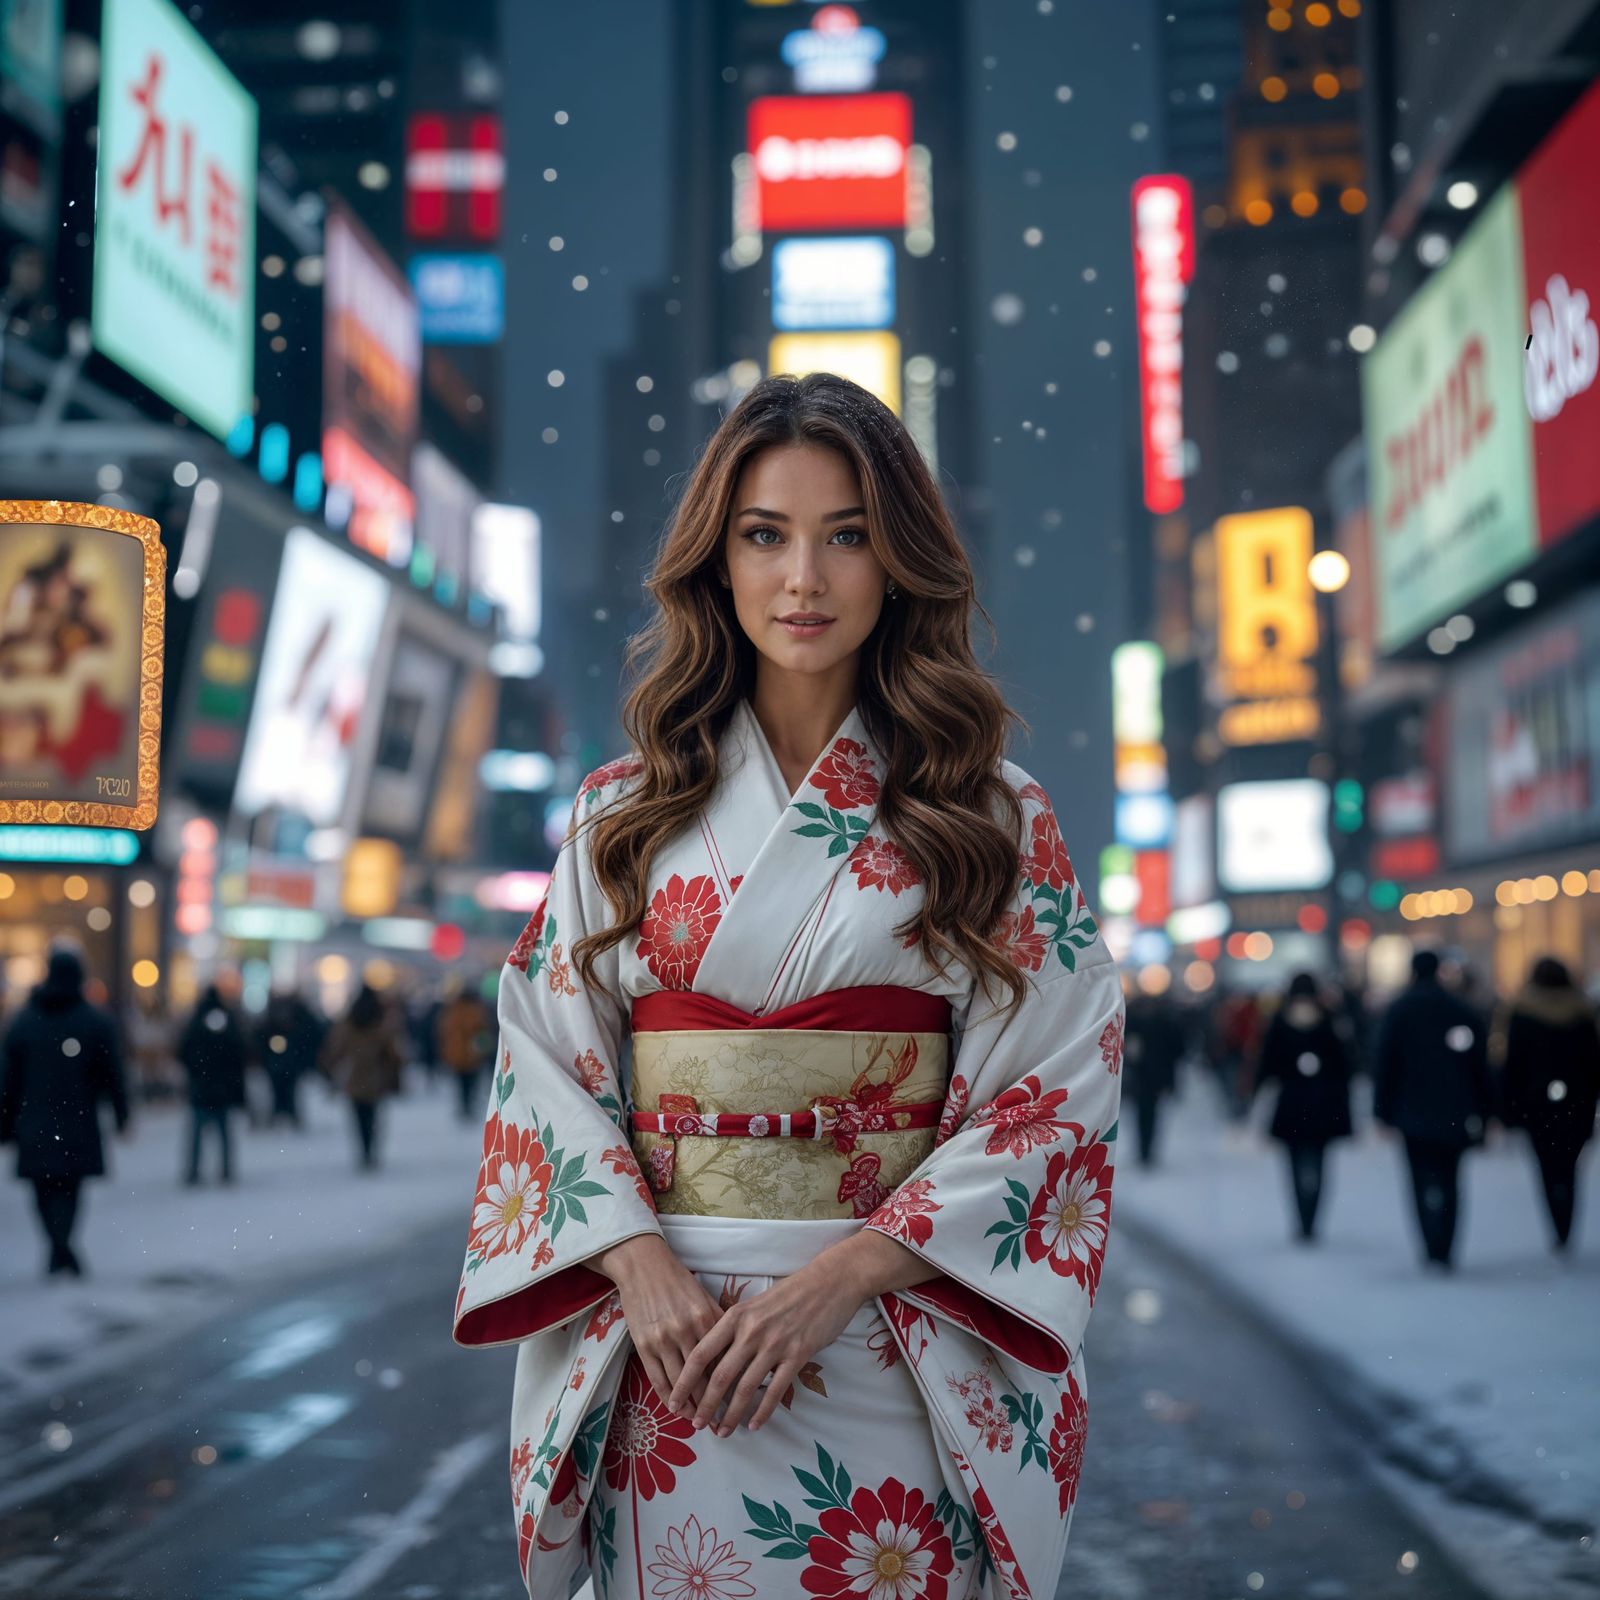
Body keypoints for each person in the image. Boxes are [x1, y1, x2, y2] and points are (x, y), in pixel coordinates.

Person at [450, 373, 1126, 1600]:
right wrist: (637, 1264)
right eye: (764, 535)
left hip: (893, 1347)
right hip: (671, 1351)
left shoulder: (989, 817)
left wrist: (846, 1274)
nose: (802, 578)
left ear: (898, 560)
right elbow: (541, 1057)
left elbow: (1053, 1089)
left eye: (846, 535)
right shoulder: (622, 813)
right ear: (717, 561)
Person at [0, 943, 130, 1277]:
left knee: (43, 1188)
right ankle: (62, 1246)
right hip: (77, 1119)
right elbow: (112, 1074)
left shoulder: (25, 1021)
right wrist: (121, 1116)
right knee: (70, 1188)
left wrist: (5, 1120)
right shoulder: (95, 1022)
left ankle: (58, 1246)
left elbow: (7, 1079)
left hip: (35, 1119)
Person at [1372, 948, 1496, 1271]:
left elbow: (1385, 1063)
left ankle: (1430, 1243)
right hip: (1454, 1108)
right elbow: (1479, 1067)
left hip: (1411, 1110)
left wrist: (1382, 1111)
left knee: (1418, 1179)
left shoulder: (1399, 1011)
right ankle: (1446, 1245)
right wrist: (1485, 1111)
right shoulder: (1460, 1010)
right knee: (1451, 1179)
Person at [1490, 956, 1599, 1256]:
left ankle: (1557, 1223)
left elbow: (1511, 1065)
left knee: (1547, 1167)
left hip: (1535, 1105)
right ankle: (1566, 1223)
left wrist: (1507, 1110)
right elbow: (1593, 1064)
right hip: (1577, 1105)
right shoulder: (1582, 1011)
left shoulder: (1522, 1011)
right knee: (1570, 1167)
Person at [1249, 972, 1353, 1242]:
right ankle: (1313, 1217)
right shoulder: (1330, 1020)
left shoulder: (1280, 1021)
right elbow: (1346, 1064)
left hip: (1291, 1106)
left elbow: (1267, 1063)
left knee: (1294, 1166)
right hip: (1323, 1106)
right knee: (1319, 1163)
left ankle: (1302, 1219)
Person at [321, 984, 405, 1170]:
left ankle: (364, 1153)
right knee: (373, 1117)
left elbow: (336, 1049)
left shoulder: (349, 1022)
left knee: (358, 1118)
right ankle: (371, 1152)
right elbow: (393, 1053)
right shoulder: (381, 1021)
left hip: (355, 1075)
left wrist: (329, 1068)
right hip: (376, 1076)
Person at [178, 977, 250, 1185]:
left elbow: (184, 1051)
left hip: (201, 1086)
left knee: (198, 1132)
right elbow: (239, 1051)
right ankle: (226, 1170)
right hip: (222, 1086)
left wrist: (196, 1070)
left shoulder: (196, 1021)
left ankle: (193, 1171)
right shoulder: (228, 1020)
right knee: (224, 1131)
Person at [1122, 977, 1186, 1166]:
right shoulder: (1165, 1021)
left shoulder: (1139, 1021)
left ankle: (1145, 1149)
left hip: (1145, 1076)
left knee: (1145, 1114)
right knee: (1147, 1114)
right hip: (1148, 1076)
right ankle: (1145, 1149)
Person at [256, 987, 325, 1130]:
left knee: (285, 1089)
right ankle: (285, 1113)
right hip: (286, 1060)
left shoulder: (284, 1015)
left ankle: (285, 1113)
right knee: (284, 1089)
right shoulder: (292, 1015)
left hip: (286, 1060)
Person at [436, 979, 495, 1121]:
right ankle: (468, 1106)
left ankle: (463, 1105)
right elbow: (481, 1030)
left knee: (461, 1082)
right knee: (471, 1082)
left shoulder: (451, 1011)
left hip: (455, 1052)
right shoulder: (476, 1011)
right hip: (472, 1053)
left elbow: (443, 1031)